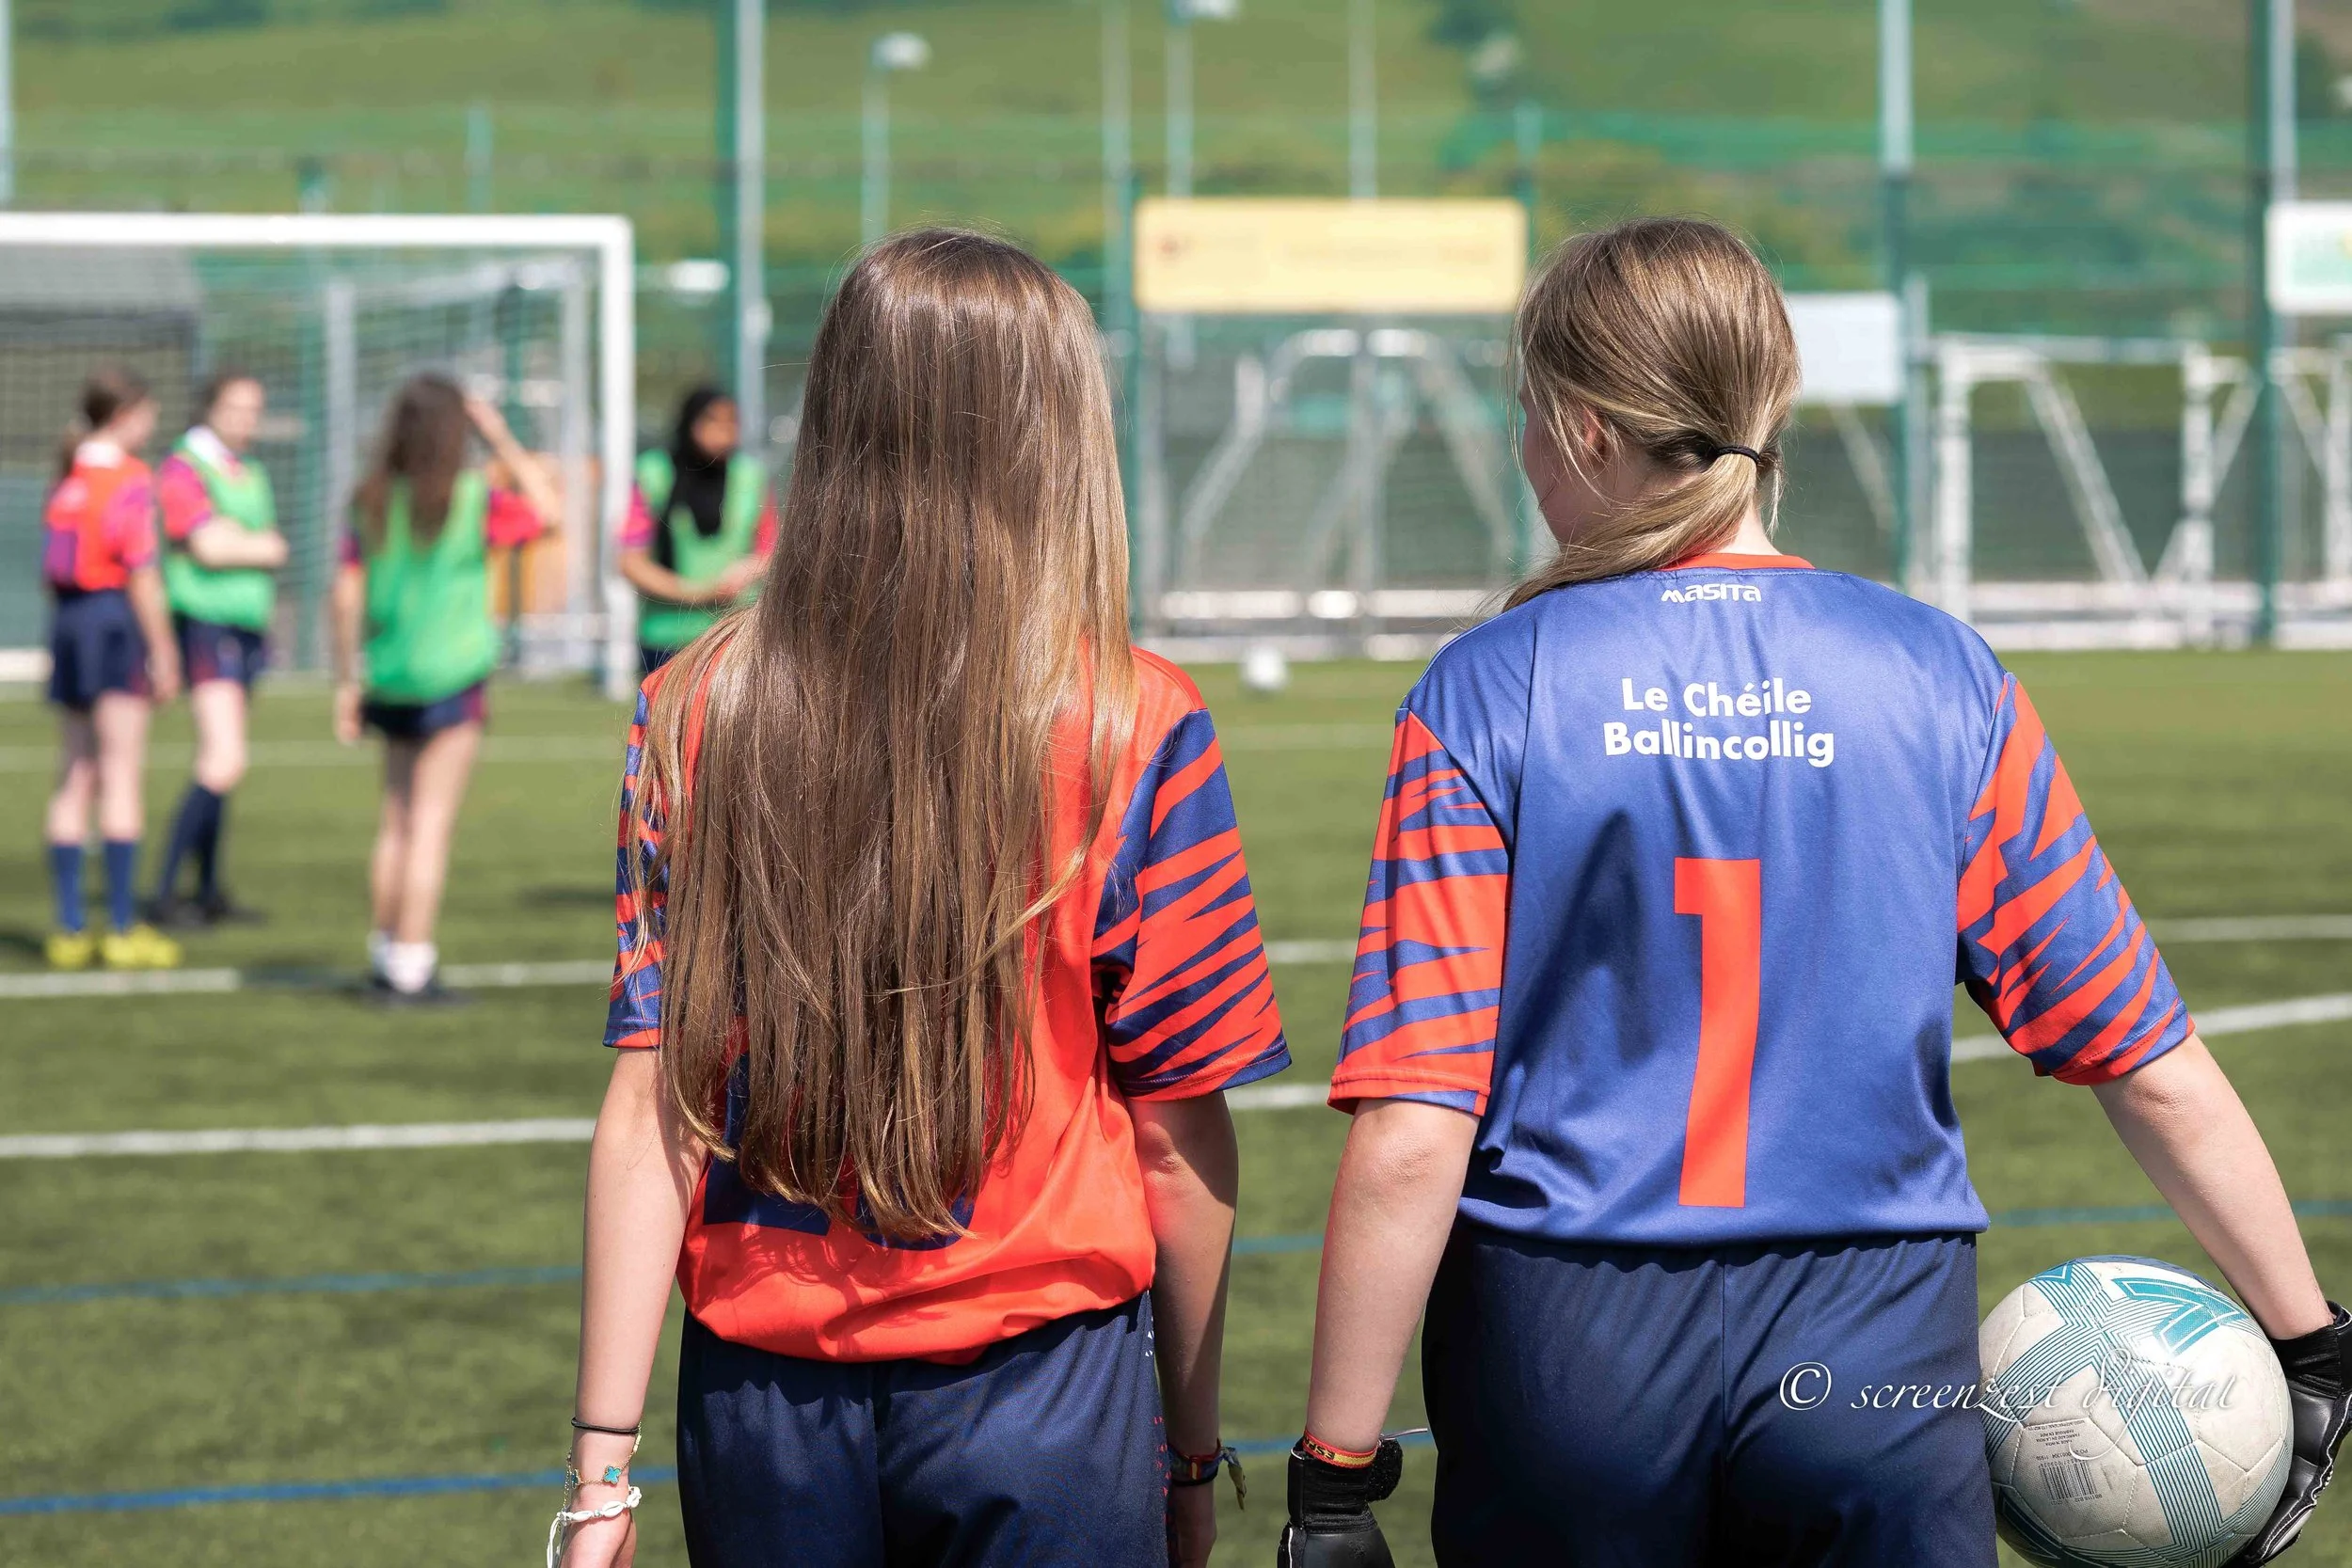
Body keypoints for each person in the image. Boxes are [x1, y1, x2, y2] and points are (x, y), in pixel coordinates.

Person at [1279, 218, 2350, 1568]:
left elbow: (1416, 1126)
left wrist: (1332, 1476)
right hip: (1875, 1355)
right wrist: (2309, 1333)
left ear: (1590, 427)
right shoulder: (1936, 673)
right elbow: (2143, 1053)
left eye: (1528, 416)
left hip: (1569, 1357)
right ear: (1768, 406)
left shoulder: (1492, 686)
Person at [556, 230, 1289, 1568]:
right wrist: (1190, 1447)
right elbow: (1180, 1140)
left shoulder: (691, 709)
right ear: (1057, 433)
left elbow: (647, 1106)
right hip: (1047, 1397)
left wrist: (601, 1473)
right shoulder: (1135, 721)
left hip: (763, 1404)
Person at [329, 376, 558, 1003]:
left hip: (390, 673)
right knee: (430, 824)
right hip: (452, 677)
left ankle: (384, 952)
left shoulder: (370, 499)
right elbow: (550, 512)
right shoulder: (473, 498)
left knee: (395, 821)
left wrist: (348, 680)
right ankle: (412, 962)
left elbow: (344, 593)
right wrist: (503, 439)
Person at [41, 369, 183, 972]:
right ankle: (122, 927)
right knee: (123, 771)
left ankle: (69, 930)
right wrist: (165, 648)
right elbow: (143, 570)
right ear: (124, 414)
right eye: (148, 413)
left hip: (70, 623)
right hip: (113, 618)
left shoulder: (70, 478)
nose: (152, 425)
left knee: (75, 774)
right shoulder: (129, 478)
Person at [149, 372, 288, 927]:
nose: (245, 419)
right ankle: (162, 895)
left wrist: (243, 542)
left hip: (246, 625)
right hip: (205, 624)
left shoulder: (249, 470)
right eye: (234, 407)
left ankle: (207, 890)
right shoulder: (184, 467)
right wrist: (248, 544)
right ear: (209, 407)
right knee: (222, 757)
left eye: (254, 408)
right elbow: (207, 546)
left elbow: (268, 543)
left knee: (227, 764)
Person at [617, 386, 775, 678]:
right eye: (713, 421)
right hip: (667, 638)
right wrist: (695, 593)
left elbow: (772, 549)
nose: (723, 432)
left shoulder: (750, 476)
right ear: (690, 423)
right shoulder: (655, 472)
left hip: (734, 634)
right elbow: (631, 561)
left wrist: (750, 570)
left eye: (731, 423)